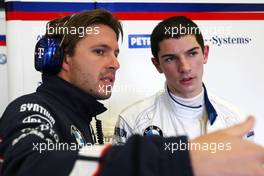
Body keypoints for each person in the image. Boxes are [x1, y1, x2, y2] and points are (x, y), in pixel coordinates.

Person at [0, 9, 263, 176]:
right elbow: (27, 165)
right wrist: (183, 158)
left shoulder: (82, 118)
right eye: (100, 51)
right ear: (63, 58)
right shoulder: (31, 108)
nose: (115, 63)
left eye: (115, 53)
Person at [113, 16, 254, 145]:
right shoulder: (131, 121)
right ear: (157, 65)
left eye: (192, 54)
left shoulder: (236, 121)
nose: (185, 68)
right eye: (170, 59)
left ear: (205, 54)